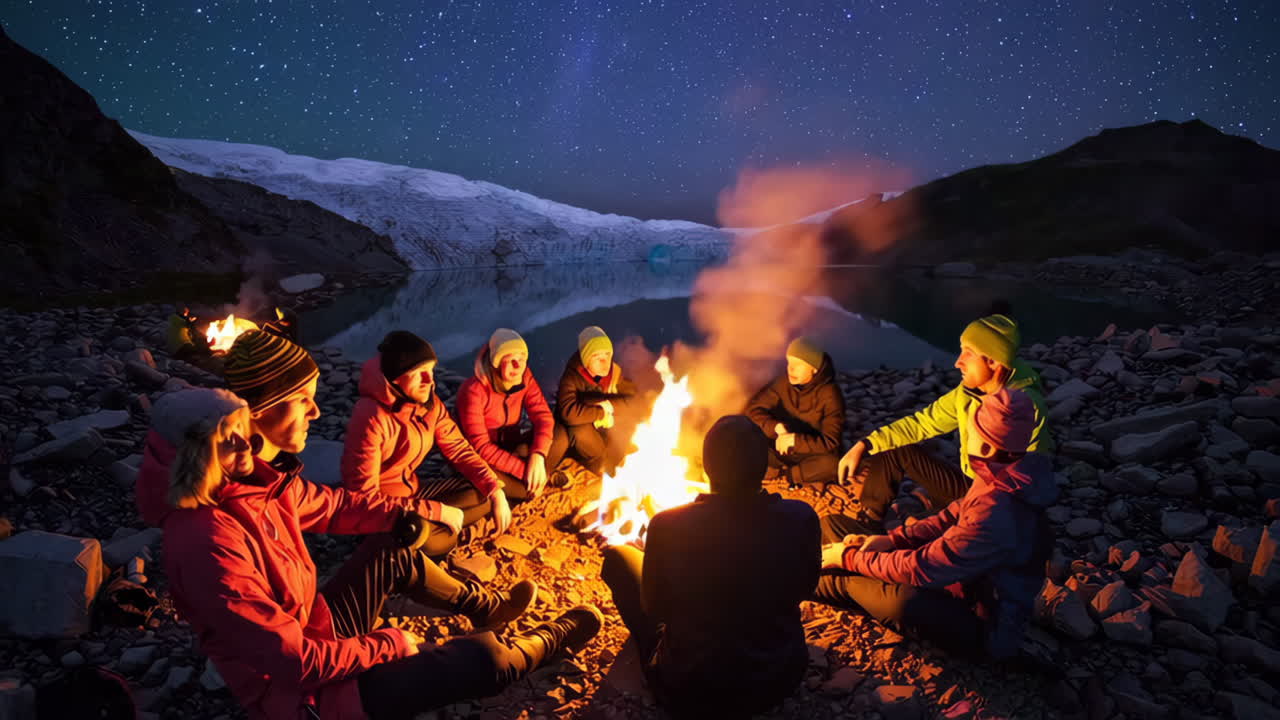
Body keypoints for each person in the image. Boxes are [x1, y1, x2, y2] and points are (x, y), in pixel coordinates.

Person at [148, 335, 604, 720]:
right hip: (303, 697)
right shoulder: (206, 539)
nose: (317, 413)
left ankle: (484, 607)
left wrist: (416, 513)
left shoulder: (257, 483)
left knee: (394, 543)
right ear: (261, 412)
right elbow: (296, 665)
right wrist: (387, 643)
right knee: (480, 662)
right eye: (303, 401)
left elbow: (334, 505)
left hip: (318, 630)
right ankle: (544, 643)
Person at [600, 415, 820, 718]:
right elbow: (805, 586)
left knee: (618, 559)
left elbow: (655, 607)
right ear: (762, 466)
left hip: (689, 685)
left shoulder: (667, 525)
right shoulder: (801, 517)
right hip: (778, 677)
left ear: (708, 467)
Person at [816, 388, 1057, 660]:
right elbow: (950, 516)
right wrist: (894, 540)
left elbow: (922, 568)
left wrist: (848, 559)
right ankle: (823, 569)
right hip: (954, 583)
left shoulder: (998, 511)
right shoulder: (1002, 472)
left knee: (892, 598)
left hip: (982, 625)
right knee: (834, 525)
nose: (963, 437)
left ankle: (800, 579)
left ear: (988, 445)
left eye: (971, 431)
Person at [837, 313, 1053, 521]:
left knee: (916, 534)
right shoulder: (969, 392)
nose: (958, 362)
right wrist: (865, 444)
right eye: (960, 351)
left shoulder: (1023, 406)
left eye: (968, 353)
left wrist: (961, 514)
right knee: (897, 449)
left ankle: (929, 516)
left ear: (994, 362)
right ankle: (870, 520)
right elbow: (922, 423)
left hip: (998, 505)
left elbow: (1026, 477)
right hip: (970, 485)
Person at [342, 330, 512, 534]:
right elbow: (364, 497)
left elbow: (458, 449)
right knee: (424, 533)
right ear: (396, 378)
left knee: (482, 494)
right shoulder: (370, 417)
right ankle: (433, 534)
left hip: (414, 493)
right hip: (381, 509)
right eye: (418, 372)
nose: (429, 380)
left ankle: (437, 531)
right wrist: (437, 512)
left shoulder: (428, 403)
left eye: (431, 370)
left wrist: (494, 489)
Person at [456, 328, 566, 500]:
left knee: (560, 434)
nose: (518, 366)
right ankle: (544, 477)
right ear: (496, 362)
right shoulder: (473, 391)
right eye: (510, 360)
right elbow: (481, 447)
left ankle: (538, 473)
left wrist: (538, 455)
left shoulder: (524, 377)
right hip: (482, 458)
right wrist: (524, 470)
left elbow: (543, 417)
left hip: (512, 445)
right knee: (525, 490)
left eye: (522, 359)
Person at [745, 336, 845, 486]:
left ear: (814, 368)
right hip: (778, 446)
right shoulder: (783, 382)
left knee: (834, 463)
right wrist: (776, 428)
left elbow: (831, 442)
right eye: (788, 363)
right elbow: (754, 409)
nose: (790, 369)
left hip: (809, 453)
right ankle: (770, 467)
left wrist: (794, 440)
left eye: (797, 365)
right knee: (744, 432)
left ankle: (787, 474)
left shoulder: (830, 395)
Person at [555, 326, 638, 477]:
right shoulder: (571, 377)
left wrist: (610, 408)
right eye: (596, 356)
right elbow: (568, 413)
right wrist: (600, 412)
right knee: (579, 431)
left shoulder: (615, 373)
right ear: (586, 359)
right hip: (585, 438)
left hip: (609, 434)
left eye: (607, 354)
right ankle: (600, 470)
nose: (604, 361)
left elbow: (633, 401)